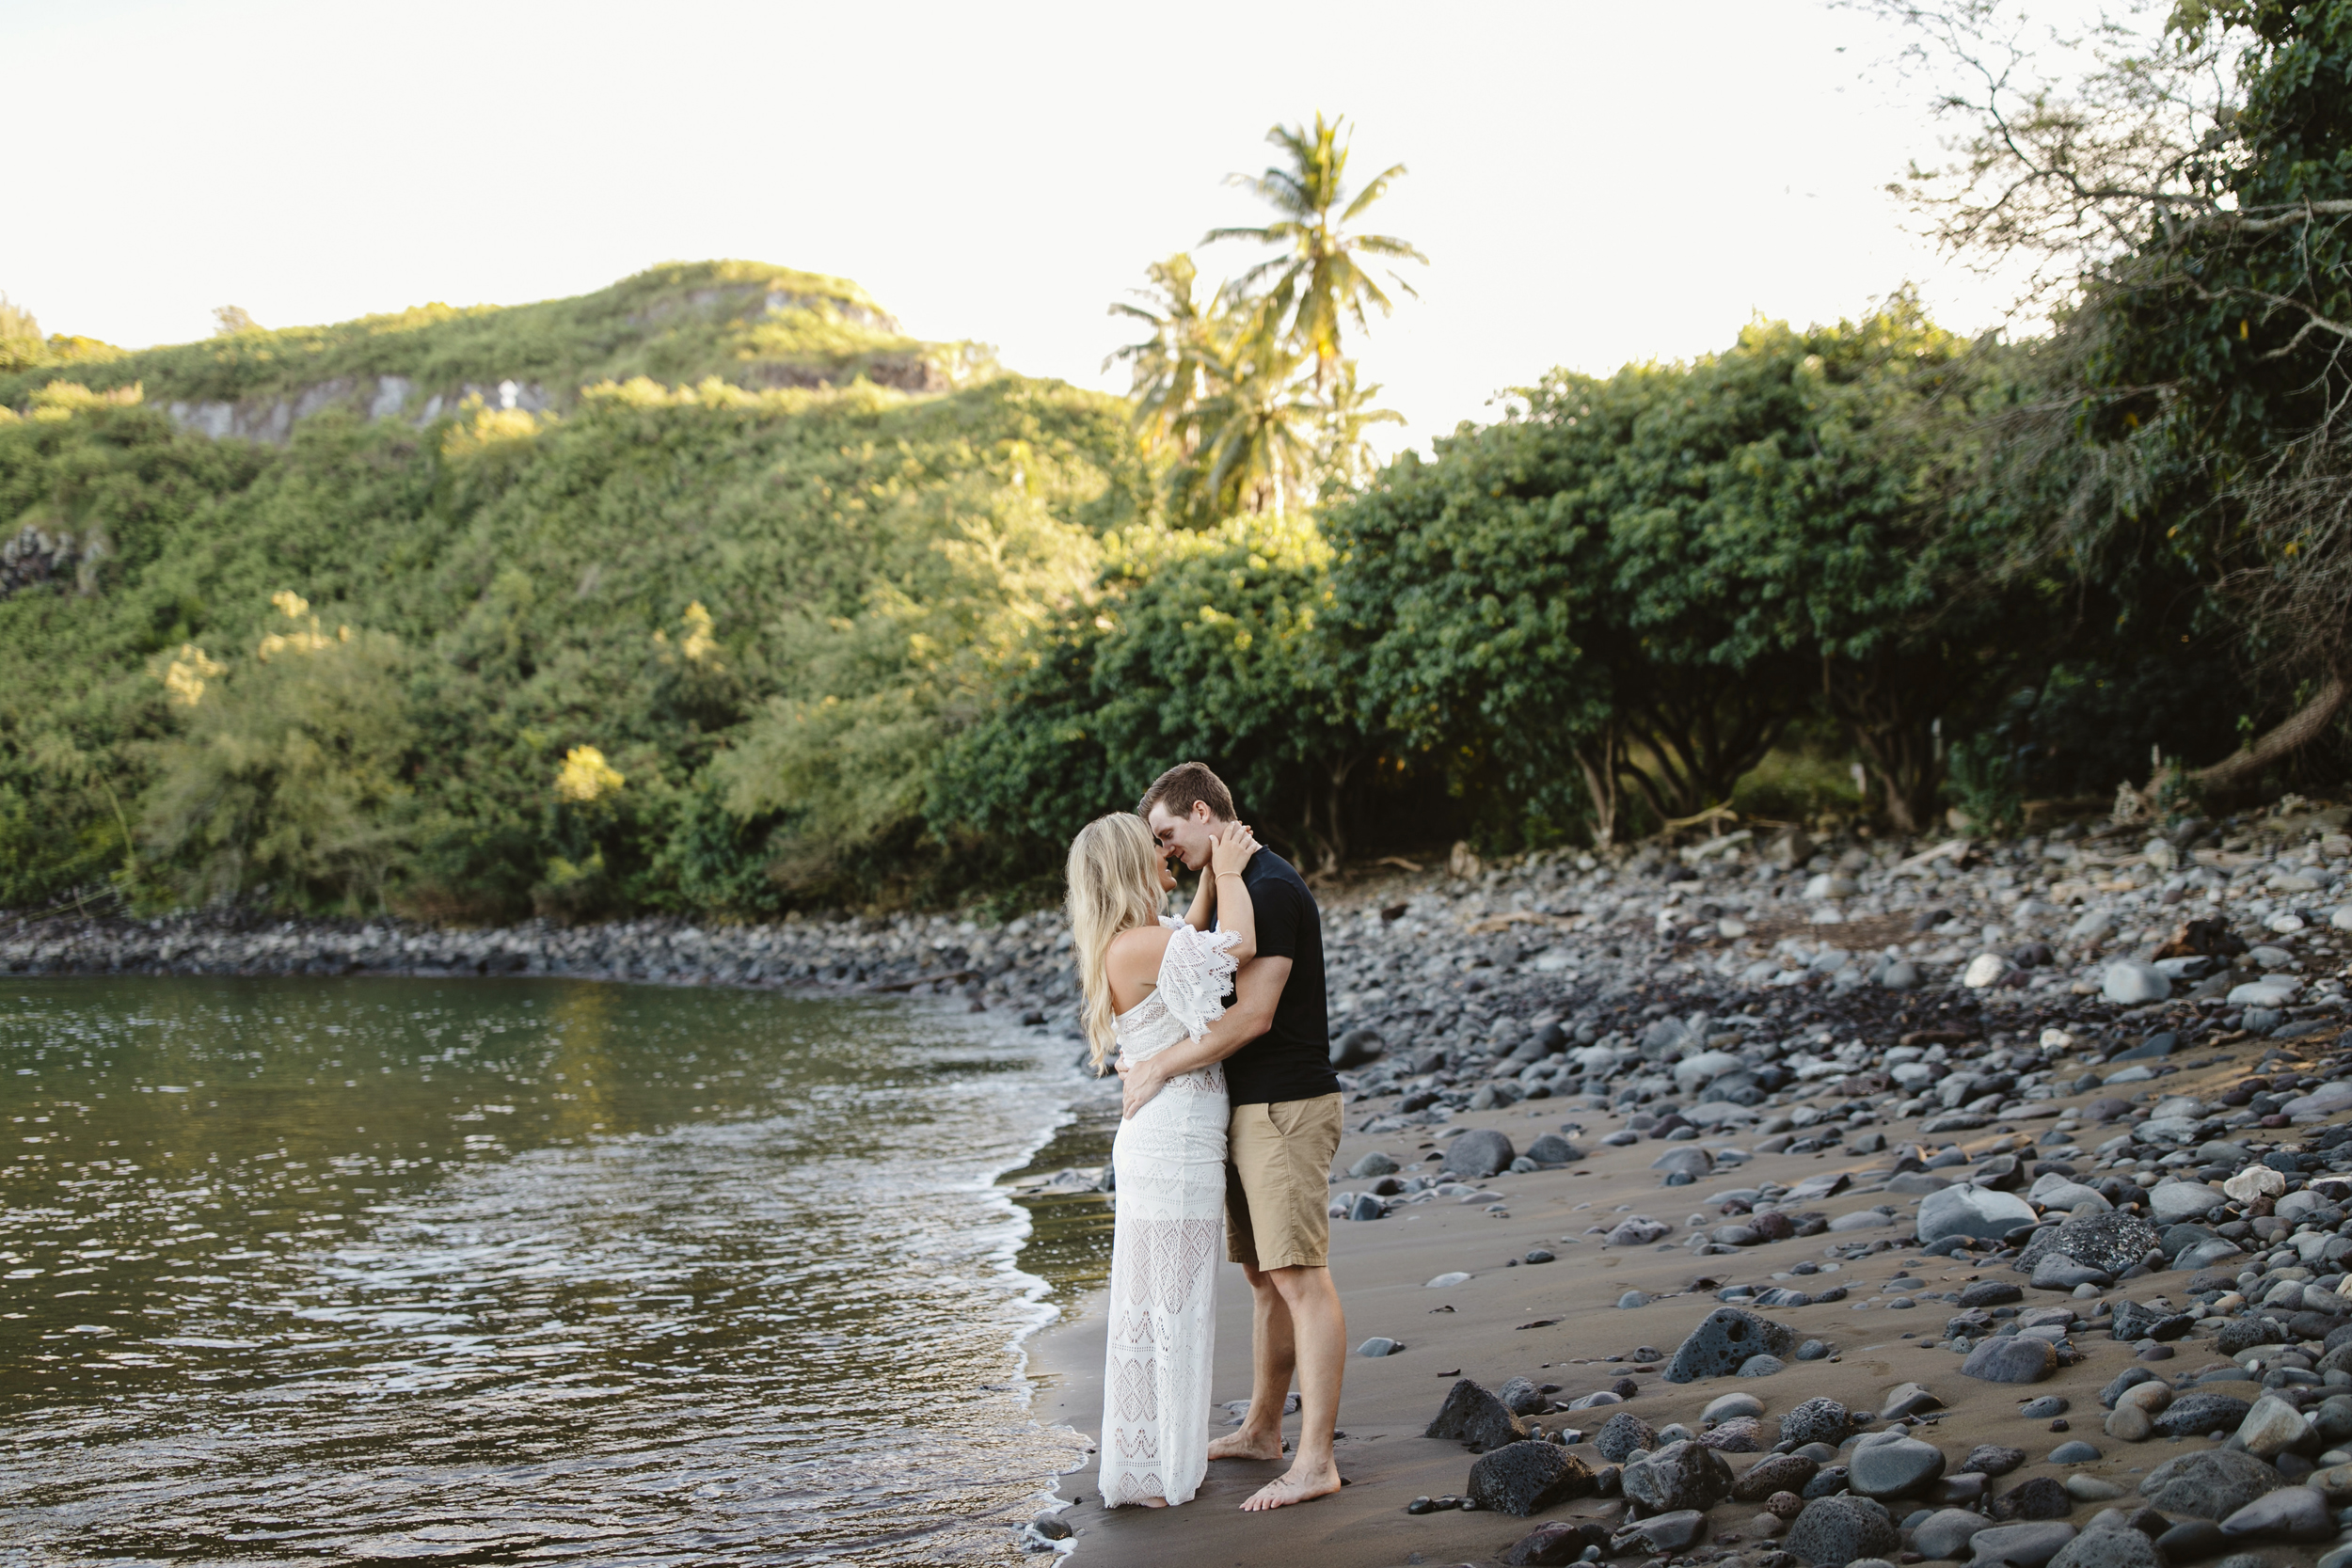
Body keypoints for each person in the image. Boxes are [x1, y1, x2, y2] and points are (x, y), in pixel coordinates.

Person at [1119, 761, 1345, 1513]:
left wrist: (1155, 1065)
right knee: (1262, 1276)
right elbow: (1198, 955)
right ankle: (1261, 1429)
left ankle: (1315, 1458)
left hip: (1284, 1109)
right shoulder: (1240, 882)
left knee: (1299, 1277)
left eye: (1168, 834)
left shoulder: (1273, 889)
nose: (1166, 852)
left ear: (1200, 812)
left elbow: (1250, 1017)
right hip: (1248, 1112)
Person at [1068, 809, 1263, 1509]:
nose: (1168, 854)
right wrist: (1233, 871)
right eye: (1155, 847)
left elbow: (1191, 930)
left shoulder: (1140, 941)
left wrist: (1212, 879)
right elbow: (1233, 947)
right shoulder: (1138, 946)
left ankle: (1154, 1461)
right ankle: (1152, 1471)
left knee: (1167, 1300)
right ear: (1129, 862)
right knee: (1165, 1304)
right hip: (1172, 1141)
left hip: (1172, 1135)